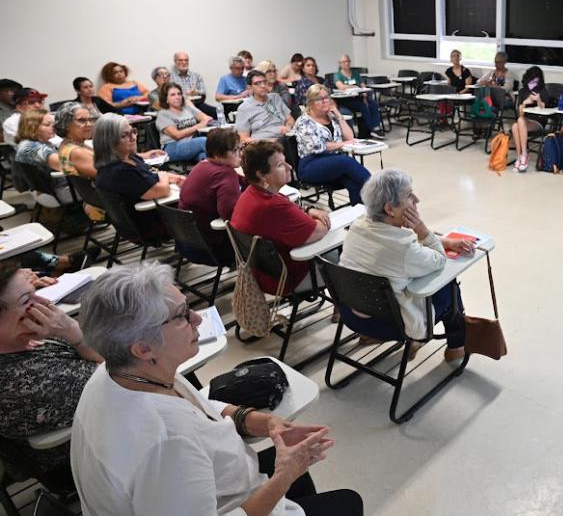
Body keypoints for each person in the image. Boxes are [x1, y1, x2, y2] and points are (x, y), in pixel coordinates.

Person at [71, 262, 363, 516]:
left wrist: (265, 423)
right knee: (347, 502)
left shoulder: (121, 372)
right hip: (228, 501)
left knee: (296, 471)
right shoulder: (166, 444)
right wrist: (282, 478)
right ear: (143, 347)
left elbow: (201, 408)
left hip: (225, 483)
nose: (197, 318)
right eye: (182, 315)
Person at [339, 169, 473, 362]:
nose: (416, 199)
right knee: (449, 287)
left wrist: (446, 242)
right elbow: (439, 259)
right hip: (390, 324)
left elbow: (405, 246)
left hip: (352, 314)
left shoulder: (358, 227)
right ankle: (456, 346)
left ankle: (372, 336)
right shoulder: (404, 250)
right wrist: (423, 230)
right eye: (409, 195)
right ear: (390, 209)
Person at [0, 263, 102, 474]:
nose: (44, 302)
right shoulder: (26, 380)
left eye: (34, 293)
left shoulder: (20, 340)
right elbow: (127, 379)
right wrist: (74, 333)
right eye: (27, 301)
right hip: (89, 455)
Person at [231, 141, 331, 294]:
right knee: (350, 261)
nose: (289, 167)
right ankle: (348, 310)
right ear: (261, 174)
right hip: (287, 279)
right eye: (280, 165)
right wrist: (321, 218)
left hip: (262, 274)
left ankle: (341, 308)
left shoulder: (252, 193)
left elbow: (290, 210)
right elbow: (319, 230)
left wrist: (309, 209)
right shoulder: (271, 206)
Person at [93, 113, 180, 240]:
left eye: (133, 131)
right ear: (109, 141)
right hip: (151, 225)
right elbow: (162, 190)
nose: (133, 137)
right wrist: (164, 176)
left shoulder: (129, 157)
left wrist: (174, 178)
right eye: (124, 135)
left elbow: (151, 174)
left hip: (155, 214)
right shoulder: (119, 171)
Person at [178, 128, 246, 267]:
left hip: (187, 242)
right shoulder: (225, 173)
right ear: (217, 154)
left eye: (240, 148)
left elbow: (243, 181)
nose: (240, 154)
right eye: (234, 150)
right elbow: (230, 214)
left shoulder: (202, 165)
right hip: (213, 248)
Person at [294, 84, 371, 205]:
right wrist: (342, 144)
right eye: (320, 99)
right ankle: (379, 190)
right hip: (310, 165)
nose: (325, 101)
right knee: (346, 161)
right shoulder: (303, 122)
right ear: (311, 103)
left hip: (333, 162)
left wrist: (339, 116)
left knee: (355, 183)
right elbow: (317, 146)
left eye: (327, 97)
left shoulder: (331, 116)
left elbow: (350, 137)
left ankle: (361, 217)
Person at [56, 102, 106, 221]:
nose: (89, 124)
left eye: (90, 120)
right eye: (82, 120)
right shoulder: (75, 152)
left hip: (99, 199)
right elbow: (107, 176)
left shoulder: (74, 144)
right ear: (66, 124)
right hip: (106, 205)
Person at [15, 110, 73, 204]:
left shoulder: (40, 143)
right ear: (32, 127)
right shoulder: (29, 148)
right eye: (47, 124)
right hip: (61, 191)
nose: (53, 127)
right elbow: (66, 165)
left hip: (62, 186)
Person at [155, 82, 210, 162]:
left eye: (179, 94)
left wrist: (203, 121)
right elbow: (177, 135)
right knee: (204, 141)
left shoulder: (187, 108)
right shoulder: (163, 114)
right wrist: (198, 126)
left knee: (203, 157)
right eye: (172, 95)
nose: (177, 97)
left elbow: (206, 118)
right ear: (166, 98)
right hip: (172, 147)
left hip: (191, 143)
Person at [236, 70, 295, 143]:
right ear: (250, 88)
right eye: (258, 83)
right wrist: (267, 142)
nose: (263, 86)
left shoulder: (275, 97)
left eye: (264, 82)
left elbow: (290, 120)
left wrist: (288, 127)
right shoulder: (244, 108)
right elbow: (244, 138)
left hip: (285, 139)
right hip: (264, 145)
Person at [333, 54, 383, 139]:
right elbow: (341, 86)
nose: (347, 63)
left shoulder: (355, 73)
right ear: (340, 63)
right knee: (364, 107)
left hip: (359, 97)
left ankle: (376, 127)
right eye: (344, 62)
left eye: (348, 61)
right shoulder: (337, 75)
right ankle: (371, 129)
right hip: (347, 100)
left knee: (373, 104)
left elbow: (362, 85)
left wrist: (364, 96)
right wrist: (354, 87)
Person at [510, 66, 550, 172]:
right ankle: (519, 157)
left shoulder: (542, 90)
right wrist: (524, 103)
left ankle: (524, 154)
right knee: (516, 125)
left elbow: (544, 109)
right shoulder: (523, 91)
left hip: (538, 121)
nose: (534, 82)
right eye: (532, 79)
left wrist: (538, 100)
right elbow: (520, 114)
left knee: (518, 123)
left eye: (536, 79)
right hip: (524, 120)